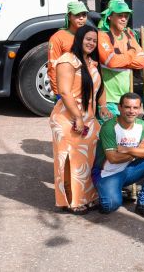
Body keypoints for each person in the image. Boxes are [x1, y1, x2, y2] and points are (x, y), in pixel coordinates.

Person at [50, 25, 106, 214]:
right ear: (79, 38)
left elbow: (100, 87)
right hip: (68, 118)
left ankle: (86, 197)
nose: (91, 43)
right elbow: (65, 92)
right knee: (69, 160)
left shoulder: (91, 62)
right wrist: (78, 117)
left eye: (94, 40)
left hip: (88, 118)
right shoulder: (68, 60)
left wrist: (103, 107)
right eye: (88, 39)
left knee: (85, 160)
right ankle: (71, 201)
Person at [94, 93, 144, 220]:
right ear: (119, 108)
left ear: (140, 108)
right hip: (107, 174)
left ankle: (143, 203)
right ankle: (111, 192)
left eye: (135, 108)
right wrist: (138, 151)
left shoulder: (142, 125)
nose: (131, 111)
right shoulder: (109, 127)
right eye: (127, 107)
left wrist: (129, 149)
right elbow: (113, 158)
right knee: (110, 206)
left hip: (128, 170)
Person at [97, 0, 144, 121]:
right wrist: (131, 53)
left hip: (126, 100)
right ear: (110, 16)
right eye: (120, 15)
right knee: (110, 132)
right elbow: (111, 61)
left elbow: (143, 61)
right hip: (108, 100)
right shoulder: (102, 36)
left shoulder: (128, 35)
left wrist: (122, 60)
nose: (124, 19)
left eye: (126, 16)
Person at [48, 1, 89, 95]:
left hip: (86, 89)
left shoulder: (89, 36)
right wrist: (58, 93)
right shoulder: (58, 38)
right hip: (67, 90)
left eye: (84, 14)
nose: (81, 18)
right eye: (77, 15)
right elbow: (52, 66)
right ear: (69, 17)